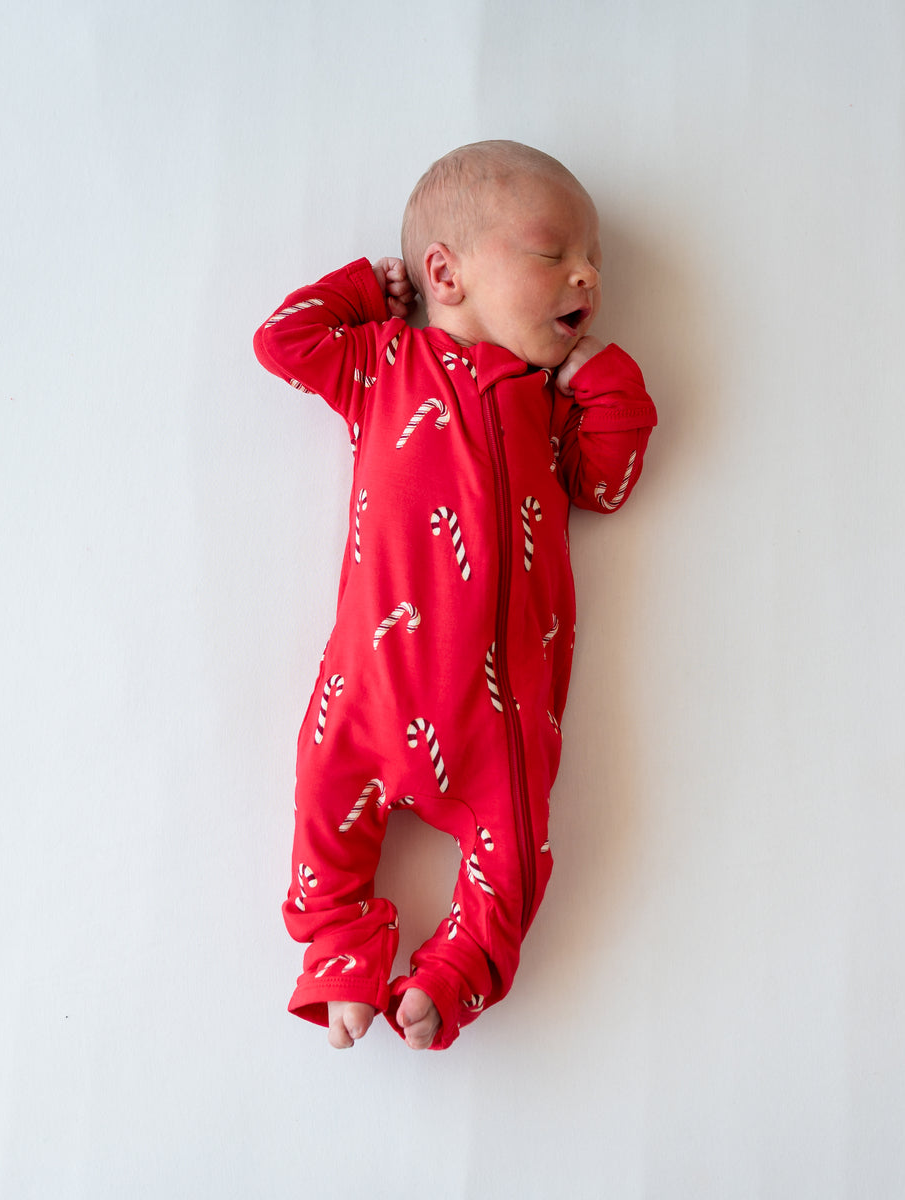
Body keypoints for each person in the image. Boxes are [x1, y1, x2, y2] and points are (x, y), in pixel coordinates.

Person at [254, 140, 657, 1050]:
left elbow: (609, 483)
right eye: (555, 254)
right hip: (365, 687)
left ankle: (459, 970)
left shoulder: (546, 410)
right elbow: (282, 342)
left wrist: (600, 379)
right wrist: (368, 289)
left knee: (515, 853)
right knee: (323, 808)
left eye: (595, 261)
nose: (587, 273)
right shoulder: (380, 365)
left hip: (499, 719)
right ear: (445, 271)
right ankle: (339, 950)